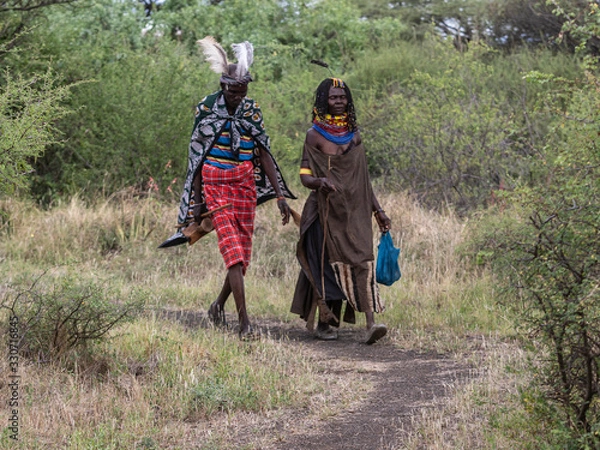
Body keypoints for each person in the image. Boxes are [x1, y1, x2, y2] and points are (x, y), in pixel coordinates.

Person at [161, 36, 294, 340]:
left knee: (242, 254)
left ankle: (218, 306)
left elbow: (264, 154)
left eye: (243, 90)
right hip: (214, 185)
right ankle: (244, 323)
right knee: (232, 252)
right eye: (234, 90)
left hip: (244, 185)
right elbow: (196, 159)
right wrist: (196, 206)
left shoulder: (252, 111)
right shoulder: (206, 108)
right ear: (223, 86)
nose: (238, 96)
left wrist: (280, 196)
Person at [290, 77, 391, 344]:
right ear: (324, 101)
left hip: (354, 211)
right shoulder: (314, 135)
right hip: (324, 212)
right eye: (333, 97)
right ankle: (327, 322)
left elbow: (363, 180)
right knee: (327, 266)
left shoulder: (354, 135)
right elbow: (304, 176)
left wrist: (378, 211)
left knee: (362, 260)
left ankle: (371, 323)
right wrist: (319, 182)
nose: (338, 102)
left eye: (342, 97)